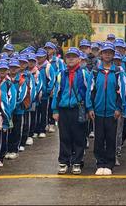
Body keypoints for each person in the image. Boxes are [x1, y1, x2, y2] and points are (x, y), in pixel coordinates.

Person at [86, 42, 126, 176]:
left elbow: (122, 91)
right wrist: (90, 107)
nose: (107, 55)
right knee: (98, 138)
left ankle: (109, 163)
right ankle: (100, 163)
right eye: (105, 52)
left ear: (113, 55)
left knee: (111, 138)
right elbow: (90, 91)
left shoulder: (117, 72)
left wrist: (119, 108)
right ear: (101, 54)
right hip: (97, 111)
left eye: (110, 52)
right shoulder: (95, 72)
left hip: (112, 112)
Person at [52, 47, 89, 175]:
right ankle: (64, 161)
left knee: (79, 136)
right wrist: (55, 109)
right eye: (68, 56)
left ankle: (77, 162)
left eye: (74, 56)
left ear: (79, 59)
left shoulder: (84, 73)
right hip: (63, 110)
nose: (71, 59)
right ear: (65, 59)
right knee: (64, 136)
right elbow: (57, 93)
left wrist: (88, 109)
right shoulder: (60, 74)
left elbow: (88, 92)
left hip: (78, 109)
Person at [35, 48, 54, 138]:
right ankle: (36, 129)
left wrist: (48, 90)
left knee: (44, 112)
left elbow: (52, 79)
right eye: (38, 56)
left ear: (45, 57)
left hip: (44, 95)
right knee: (36, 112)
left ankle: (43, 129)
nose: (39, 58)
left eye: (41, 57)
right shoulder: (35, 66)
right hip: (35, 95)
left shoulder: (48, 66)